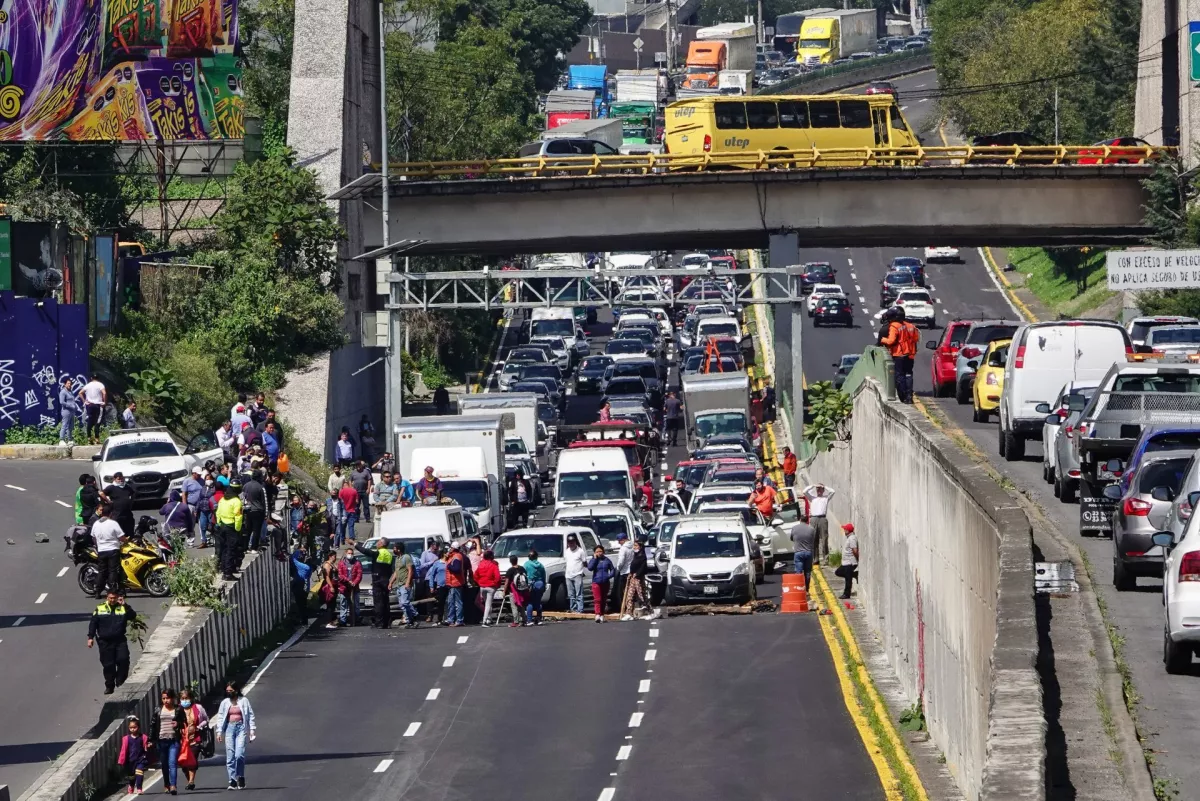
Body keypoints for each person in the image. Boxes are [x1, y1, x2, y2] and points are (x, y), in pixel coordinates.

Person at [88, 589, 136, 694]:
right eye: (110, 598)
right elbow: (93, 623)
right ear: (107, 598)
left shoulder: (123, 607)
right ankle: (110, 685)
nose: (112, 600)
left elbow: (133, 616)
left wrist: (125, 605)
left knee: (123, 660)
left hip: (120, 641)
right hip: (105, 642)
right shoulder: (100, 608)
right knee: (108, 665)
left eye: (114, 598)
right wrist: (90, 637)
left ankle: (120, 681)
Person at [212, 682, 256, 790]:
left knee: (239, 755)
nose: (229, 693)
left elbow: (250, 715)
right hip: (229, 729)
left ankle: (240, 776)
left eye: (230, 691)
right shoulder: (225, 703)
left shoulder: (244, 701)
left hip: (241, 728)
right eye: (227, 691)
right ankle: (232, 780)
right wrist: (219, 732)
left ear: (236, 690)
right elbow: (221, 717)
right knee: (230, 756)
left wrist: (252, 730)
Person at [352, 536, 394, 629]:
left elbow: (366, 551)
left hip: (377, 579)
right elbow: (390, 569)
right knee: (385, 602)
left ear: (382, 544)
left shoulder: (378, 553)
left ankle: (379, 623)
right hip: (386, 579)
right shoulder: (388, 554)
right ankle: (387, 622)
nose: (377, 543)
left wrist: (355, 544)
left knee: (378, 602)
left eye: (378, 542)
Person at [880, 306, 920, 403]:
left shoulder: (894, 326)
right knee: (908, 374)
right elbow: (916, 339)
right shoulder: (910, 326)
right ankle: (909, 395)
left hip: (899, 354)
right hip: (910, 354)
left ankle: (903, 397)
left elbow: (891, 341)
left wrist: (882, 339)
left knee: (899, 376)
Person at [150, 688, 186, 794]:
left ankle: (173, 785)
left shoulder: (178, 709)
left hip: (173, 741)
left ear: (173, 698)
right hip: (161, 741)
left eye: (168, 698)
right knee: (164, 764)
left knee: (172, 763)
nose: (166, 701)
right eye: (163, 698)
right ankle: (167, 784)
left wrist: (178, 724)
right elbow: (152, 725)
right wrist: (150, 739)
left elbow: (184, 722)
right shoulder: (158, 709)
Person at [176, 687, 209, 791]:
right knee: (183, 763)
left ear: (191, 698)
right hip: (181, 741)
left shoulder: (198, 708)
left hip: (195, 739)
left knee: (192, 761)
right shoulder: (177, 710)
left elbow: (206, 719)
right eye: (183, 698)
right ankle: (189, 780)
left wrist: (199, 726)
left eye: (187, 698)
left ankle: (191, 781)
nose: (185, 700)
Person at [91, 504, 126, 598]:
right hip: (113, 550)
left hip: (101, 551)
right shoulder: (113, 523)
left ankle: (97, 591)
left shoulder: (96, 524)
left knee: (102, 571)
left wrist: (99, 545)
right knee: (113, 571)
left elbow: (93, 537)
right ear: (110, 514)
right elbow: (121, 537)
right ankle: (113, 590)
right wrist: (126, 540)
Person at [214, 480, 244, 581]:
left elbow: (218, 513)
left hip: (222, 525)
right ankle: (228, 573)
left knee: (224, 549)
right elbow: (238, 517)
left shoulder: (223, 499)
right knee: (231, 549)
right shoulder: (236, 501)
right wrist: (238, 529)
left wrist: (219, 523)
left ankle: (223, 569)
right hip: (231, 527)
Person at [387, 541, 421, 628]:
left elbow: (410, 570)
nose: (394, 550)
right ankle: (410, 621)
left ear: (399, 549)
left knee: (405, 602)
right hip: (398, 584)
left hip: (405, 584)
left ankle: (415, 614)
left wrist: (407, 582)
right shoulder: (397, 559)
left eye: (395, 548)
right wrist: (391, 582)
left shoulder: (406, 557)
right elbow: (396, 572)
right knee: (402, 605)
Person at [802, 482, 836, 564]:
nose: (818, 490)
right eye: (817, 489)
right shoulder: (812, 498)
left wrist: (824, 486)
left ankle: (826, 559)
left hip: (822, 518)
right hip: (813, 518)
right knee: (814, 539)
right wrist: (813, 486)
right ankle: (815, 558)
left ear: (823, 490)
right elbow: (804, 491)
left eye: (820, 489)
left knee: (824, 539)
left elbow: (833, 491)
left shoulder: (826, 498)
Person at [621, 539, 654, 621]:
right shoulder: (635, 555)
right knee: (630, 595)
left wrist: (638, 574)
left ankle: (650, 612)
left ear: (640, 546)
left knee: (642, 595)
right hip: (632, 578)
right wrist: (631, 573)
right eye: (634, 545)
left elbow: (643, 568)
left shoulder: (642, 556)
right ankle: (629, 613)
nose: (634, 547)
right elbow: (633, 566)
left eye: (636, 546)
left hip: (639, 579)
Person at [118, 715, 151, 794]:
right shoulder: (126, 739)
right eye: (131, 728)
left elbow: (146, 746)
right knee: (131, 777)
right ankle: (131, 785)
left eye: (134, 727)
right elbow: (123, 750)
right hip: (130, 761)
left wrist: (148, 746)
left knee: (139, 772)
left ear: (138, 727)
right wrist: (121, 760)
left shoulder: (143, 737)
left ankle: (139, 788)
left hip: (140, 759)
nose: (132, 729)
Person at [333, 546, 362, 628]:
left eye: (351, 553)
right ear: (346, 554)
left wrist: (354, 582)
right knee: (343, 605)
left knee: (356, 604)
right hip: (344, 587)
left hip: (354, 588)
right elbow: (340, 575)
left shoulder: (357, 563)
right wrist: (347, 581)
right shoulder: (341, 563)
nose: (350, 555)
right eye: (349, 553)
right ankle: (343, 620)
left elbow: (359, 574)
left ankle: (356, 619)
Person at [443, 544, 470, 627]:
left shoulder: (457, 557)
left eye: (451, 548)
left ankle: (459, 620)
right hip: (451, 583)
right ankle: (450, 619)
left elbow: (456, 569)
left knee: (457, 602)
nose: (449, 549)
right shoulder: (453, 556)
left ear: (454, 548)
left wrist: (449, 566)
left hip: (456, 583)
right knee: (451, 602)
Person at [587, 545, 616, 622]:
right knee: (597, 599)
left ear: (603, 552)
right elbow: (590, 568)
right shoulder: (594, 560)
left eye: (600, 551)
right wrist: (594, 559)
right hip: (596, 582)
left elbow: (613, 570)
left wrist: (608, 576)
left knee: (603, 599)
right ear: (594, 553)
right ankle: (597, 614)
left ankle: (602, 614)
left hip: (605, 582)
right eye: (597, 552)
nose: (599, 553)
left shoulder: (607, 560)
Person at [102, 472, 136, 538]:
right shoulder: (111, 487)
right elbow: (101, 493)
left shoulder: (127, 487)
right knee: (118, 529)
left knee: (129, 528)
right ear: (115, 479)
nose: (121, 480)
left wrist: (130, 501)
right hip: (117, 513)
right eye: (118, 479)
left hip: (127, 513)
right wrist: (108, 501)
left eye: (122, 478)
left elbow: (133, 494)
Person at [475, 549, 502, 626]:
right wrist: (496, 584)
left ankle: (489, 619)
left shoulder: (481, 564)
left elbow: (476, 575)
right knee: (488, 604)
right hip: (491, 586)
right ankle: (485, 621)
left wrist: (479, 582)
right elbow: (497, 577)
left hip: (482, 586)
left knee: (487, 602)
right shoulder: (493, 565)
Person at [790, 517, 817, 590]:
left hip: (798, 552)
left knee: (799, 571)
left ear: (800, 520)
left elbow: (792, 538)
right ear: (807, 521)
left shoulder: (794, 528)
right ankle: (807, 588)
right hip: (808, 552)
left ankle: (799, 588)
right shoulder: (811, 529)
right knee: (808, 572)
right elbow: (813, 539)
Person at [564, 534, 588, 614]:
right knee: (571, 594)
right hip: (568, 575)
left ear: (575, 542)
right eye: (569, 542)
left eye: (572, 542)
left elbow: (584, 562)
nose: (571, 544)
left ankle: (580, 610)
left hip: (578, 574)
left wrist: (582, 571)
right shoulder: (567, 551)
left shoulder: (580, 551)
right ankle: (573, 609)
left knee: (579, 593)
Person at [79, 374, 107, 444]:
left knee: (90, 421)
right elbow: (104, 393)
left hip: (90, 405)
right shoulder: (100, 385)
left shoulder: (88, 385)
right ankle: (97, 438)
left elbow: (80, 393)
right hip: (98, 405)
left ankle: (89, 438)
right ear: (98, 378)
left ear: (91, 378)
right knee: (98, 421)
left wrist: (84, 401)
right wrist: (104, 402)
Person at [502, 554, 528, 627]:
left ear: (510, 561)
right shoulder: (522, 568)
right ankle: (524, 620)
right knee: (521, 605)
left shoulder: (510, 570)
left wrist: (504, 591)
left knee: (514, 606)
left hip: (513, 590)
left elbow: (507, 582)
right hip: (522, 589)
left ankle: (516, 622)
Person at [290, 543, 313, 626]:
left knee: (299, 604)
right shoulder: (308, 568)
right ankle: (304, 621)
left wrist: (300, 549)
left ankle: (300, 620)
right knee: (303, 605)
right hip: (305, 588)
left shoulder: (303, 567)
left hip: (299, 587)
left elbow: (293, 558)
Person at [611, 533, 633, 614]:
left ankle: (624, 608)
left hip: (624, 571)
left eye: (619, 541)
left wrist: (618, 569)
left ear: (622, 540)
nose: (619, 543)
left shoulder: (623, 548)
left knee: (623, 591)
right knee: (631, 591)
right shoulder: (632, 546)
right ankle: (630, 607)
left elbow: (621, 561)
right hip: (631, 571)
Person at [523, 549, 547, 625]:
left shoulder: (527, 564)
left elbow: (524, 575)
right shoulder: (541, 565)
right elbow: (544, 576)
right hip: (540, 584)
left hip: (531, 585)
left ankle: (529, 620)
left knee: (529, 602)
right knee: (538, 601)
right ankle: (539, 619)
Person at [836, 523, 860, 599]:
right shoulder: (849, 537)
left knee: (848, 579)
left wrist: (857, 559)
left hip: (850, 562)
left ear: (848, 530)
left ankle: (846, 594)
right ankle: (854, 574)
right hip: (846, 562)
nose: (844, 530)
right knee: (838, 572)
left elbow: (855, 550)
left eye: (845, 529)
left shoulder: (852, 538)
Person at [427, 549, 448, 625]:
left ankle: (447, 618)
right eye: (447, 552)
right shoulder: (437, 563)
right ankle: (440, 619)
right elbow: (432, 575)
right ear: (444, 554)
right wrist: (431, 586)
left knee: (448, 603)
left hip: (449, 585)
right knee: (441, 603)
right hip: (440, 586)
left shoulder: (449, 562)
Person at [58, 377, 80, 445]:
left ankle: (70, 439)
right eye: (68, 383)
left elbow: (72, 401)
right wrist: (71, 406)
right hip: (66, 411)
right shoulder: (63, 392)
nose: (69, 385)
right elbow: (61, 402)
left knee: (71, 426)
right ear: (65, 384)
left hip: (72, 411)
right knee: (64, 425)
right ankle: (61, 440)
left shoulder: (70, 391)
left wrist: (75, 406)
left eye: (70, 383)